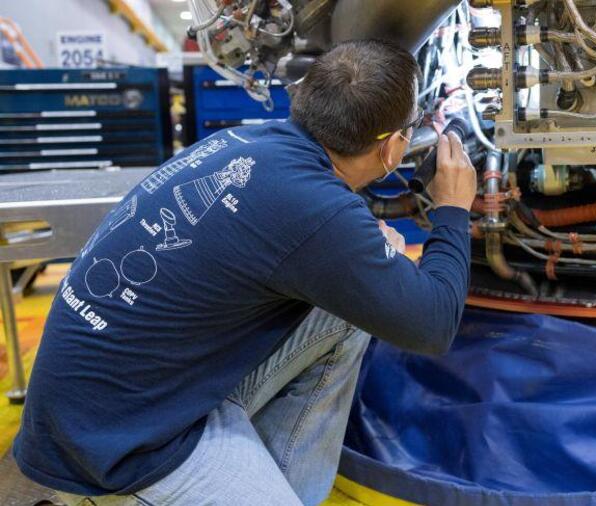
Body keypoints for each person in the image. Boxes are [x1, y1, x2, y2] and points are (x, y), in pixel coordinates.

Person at [14, 39, 476, 505]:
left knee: (349, 313)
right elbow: (432, 325)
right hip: (117, 452)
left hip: (102, 406)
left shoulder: (252, 144)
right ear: (392, 148)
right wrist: (453, 209)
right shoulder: (316, 209)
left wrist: (371, 258)